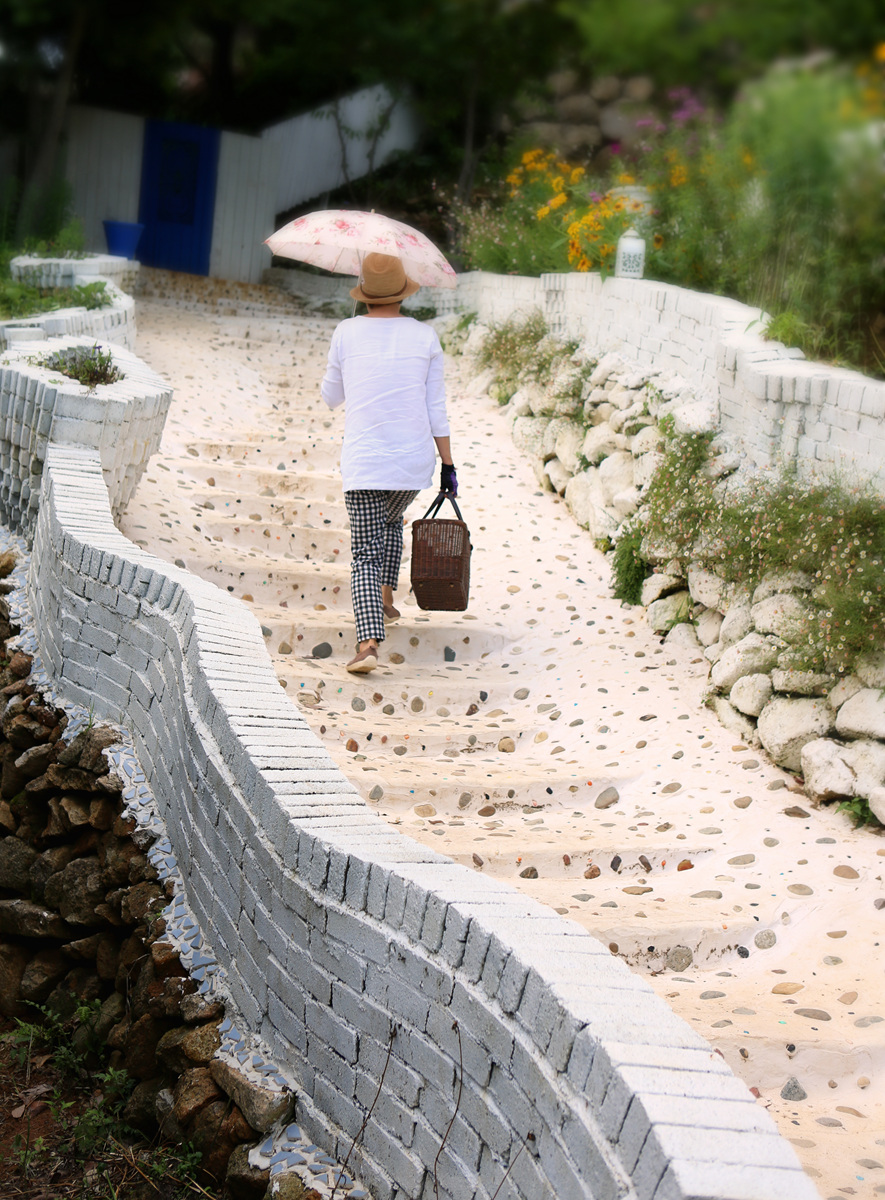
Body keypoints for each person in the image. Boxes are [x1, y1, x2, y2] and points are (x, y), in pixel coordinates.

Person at [321, 252, 457, 673]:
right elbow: (436, 409)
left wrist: (349, 356)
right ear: (403, 293)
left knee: (365, 552)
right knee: (391, 521)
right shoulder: (425, 336)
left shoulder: (346, 332)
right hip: (412, 467)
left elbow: (330, 397)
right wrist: (448, 465)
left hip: (364, 464)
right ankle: (385, 596)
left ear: (364, 295)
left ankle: (367, 644)